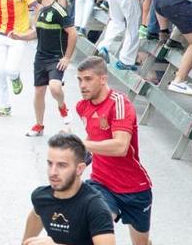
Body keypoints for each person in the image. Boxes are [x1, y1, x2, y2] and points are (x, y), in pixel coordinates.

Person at [76, 57, 153, 245]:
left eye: (88, 79)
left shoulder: (120, 104)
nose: (82, 85)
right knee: (96, 230)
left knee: (141, 243)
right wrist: (77, 161)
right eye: (79, 80)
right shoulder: (82, 106)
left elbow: (120, 146)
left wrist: (81, 144)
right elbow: (95, 141)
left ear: (103, 79)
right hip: (101, 183)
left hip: (135, 188)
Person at [23, 133, 116, 245]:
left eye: (62, 165)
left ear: (79, 169)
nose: (53, 172)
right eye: (50, 163)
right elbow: (37, 214)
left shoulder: (96, 207)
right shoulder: (41, 197)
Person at [10, 0, 76, 136]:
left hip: (55, 58)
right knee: (39, 92)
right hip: (40, 58)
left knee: (54, 87)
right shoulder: (40, 11)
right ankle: (39, 125)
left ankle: (63, 107)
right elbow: (36, 33)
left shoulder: (59, 11)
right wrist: (20, 37)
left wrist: (66, 58)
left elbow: (73, 34)